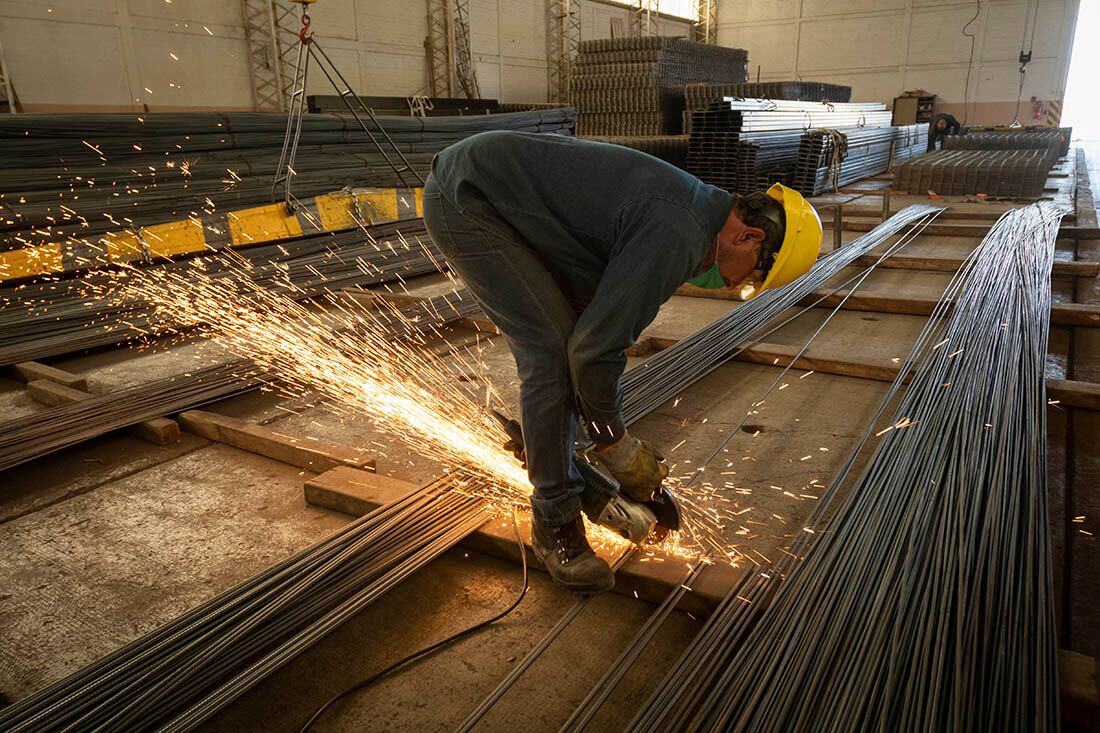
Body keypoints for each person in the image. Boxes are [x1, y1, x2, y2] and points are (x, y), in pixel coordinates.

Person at [422, 131, 822, 592]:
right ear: (749, 236)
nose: (735, 287)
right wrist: (618, 445)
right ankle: (555, 523)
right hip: (469, 200)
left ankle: (553, 452)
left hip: (496, 194)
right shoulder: (679, 232)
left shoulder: (695, 215)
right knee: (552, 355)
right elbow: (596, 351)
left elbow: (595, 335)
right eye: (751, 277)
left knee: (573, 339)